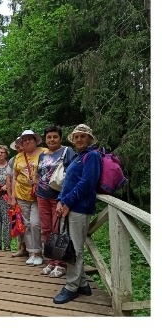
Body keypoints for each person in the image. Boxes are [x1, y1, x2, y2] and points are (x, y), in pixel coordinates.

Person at [52, 124, 102, 305]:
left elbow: (86, 183)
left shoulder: (93, 156)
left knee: (75, 250)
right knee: (73, 246)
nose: (79, 139)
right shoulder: (78, 157)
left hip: (80, 208)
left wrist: (67, 202)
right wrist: (60, 199)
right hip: (70, 206)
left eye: (83, 136)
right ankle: (82, 284)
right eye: (77, 136)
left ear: (89, 139)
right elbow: (67, 182)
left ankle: (71, 287)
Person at [37, 125, 75, 278]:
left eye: (55, 137)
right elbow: (39, 173)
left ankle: (61, 263)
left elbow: (71, 175)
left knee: (57, 230)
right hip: (42, 196)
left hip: (58, 197)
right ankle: (51, 261)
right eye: (49, 137)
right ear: (45, 139)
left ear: (60, 138)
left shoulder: (67, 151)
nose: (52, 140)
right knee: (46, 229)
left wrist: (65, 199)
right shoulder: (42, 155)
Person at [8, 129, 47, 266]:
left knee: (36, 224)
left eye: (30, 139)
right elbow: (14, 178)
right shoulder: (19, 157)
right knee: (26, 225)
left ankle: (39, 252)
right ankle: (32, 253)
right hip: (21, 195)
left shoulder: (44, 152)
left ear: (35, 140)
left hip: (38, 195)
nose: (27, 141)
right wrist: (12, 197)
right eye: (25, 140)